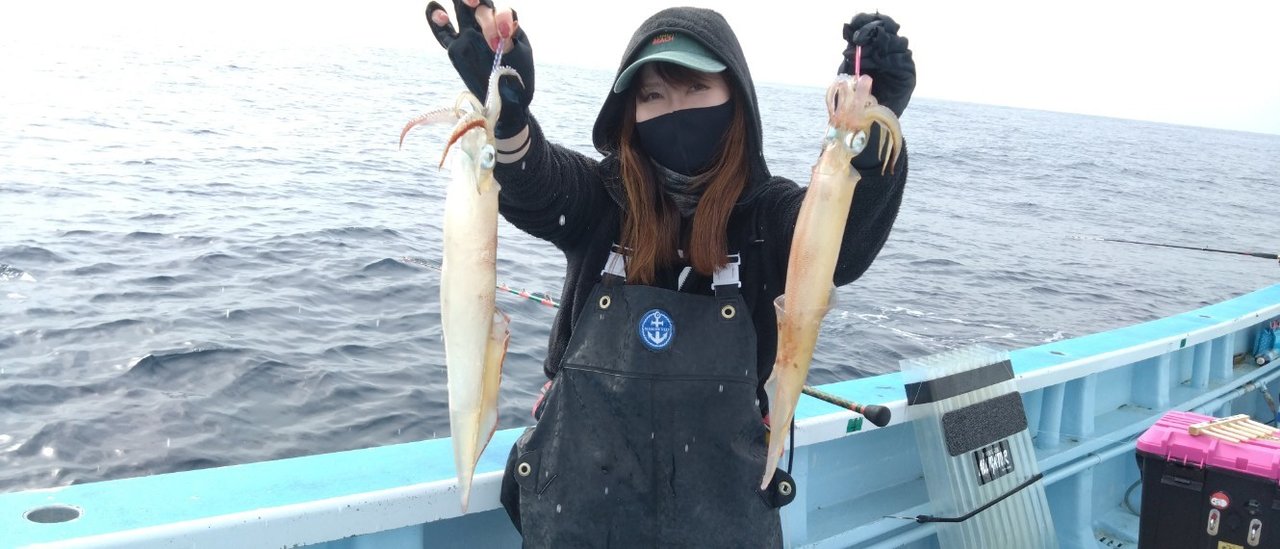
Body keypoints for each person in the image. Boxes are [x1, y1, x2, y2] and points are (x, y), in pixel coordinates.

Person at [425, 1, 914, 546]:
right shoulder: (599, 199)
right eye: (652, 95)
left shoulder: (767, 217)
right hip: (579, 514)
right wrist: (509, 121)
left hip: (721, 517)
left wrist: (870, 134)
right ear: (628, 112)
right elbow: (536, 183)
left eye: (696, 88)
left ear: (736, 98)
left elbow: (839, 248)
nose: (674, 109)